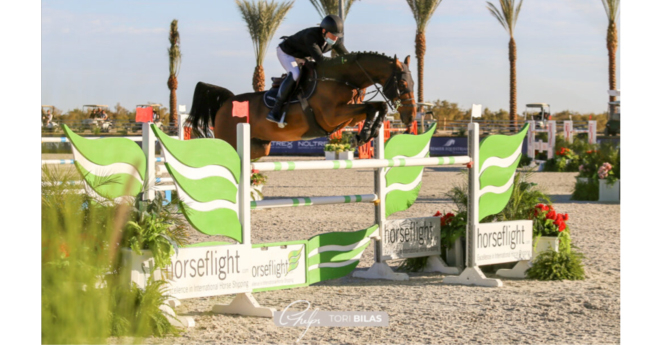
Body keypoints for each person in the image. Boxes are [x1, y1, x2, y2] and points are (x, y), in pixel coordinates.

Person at [266, 14, 350, 126]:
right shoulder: (311, 36)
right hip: (287, 53)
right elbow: (321, 60)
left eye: (338, 36)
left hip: (303, 56)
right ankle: (275, 110)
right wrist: (340, 62)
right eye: (333, 35)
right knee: (295, 74)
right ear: (324, 31)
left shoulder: (335, 40)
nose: (335, 38)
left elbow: (347, 57)